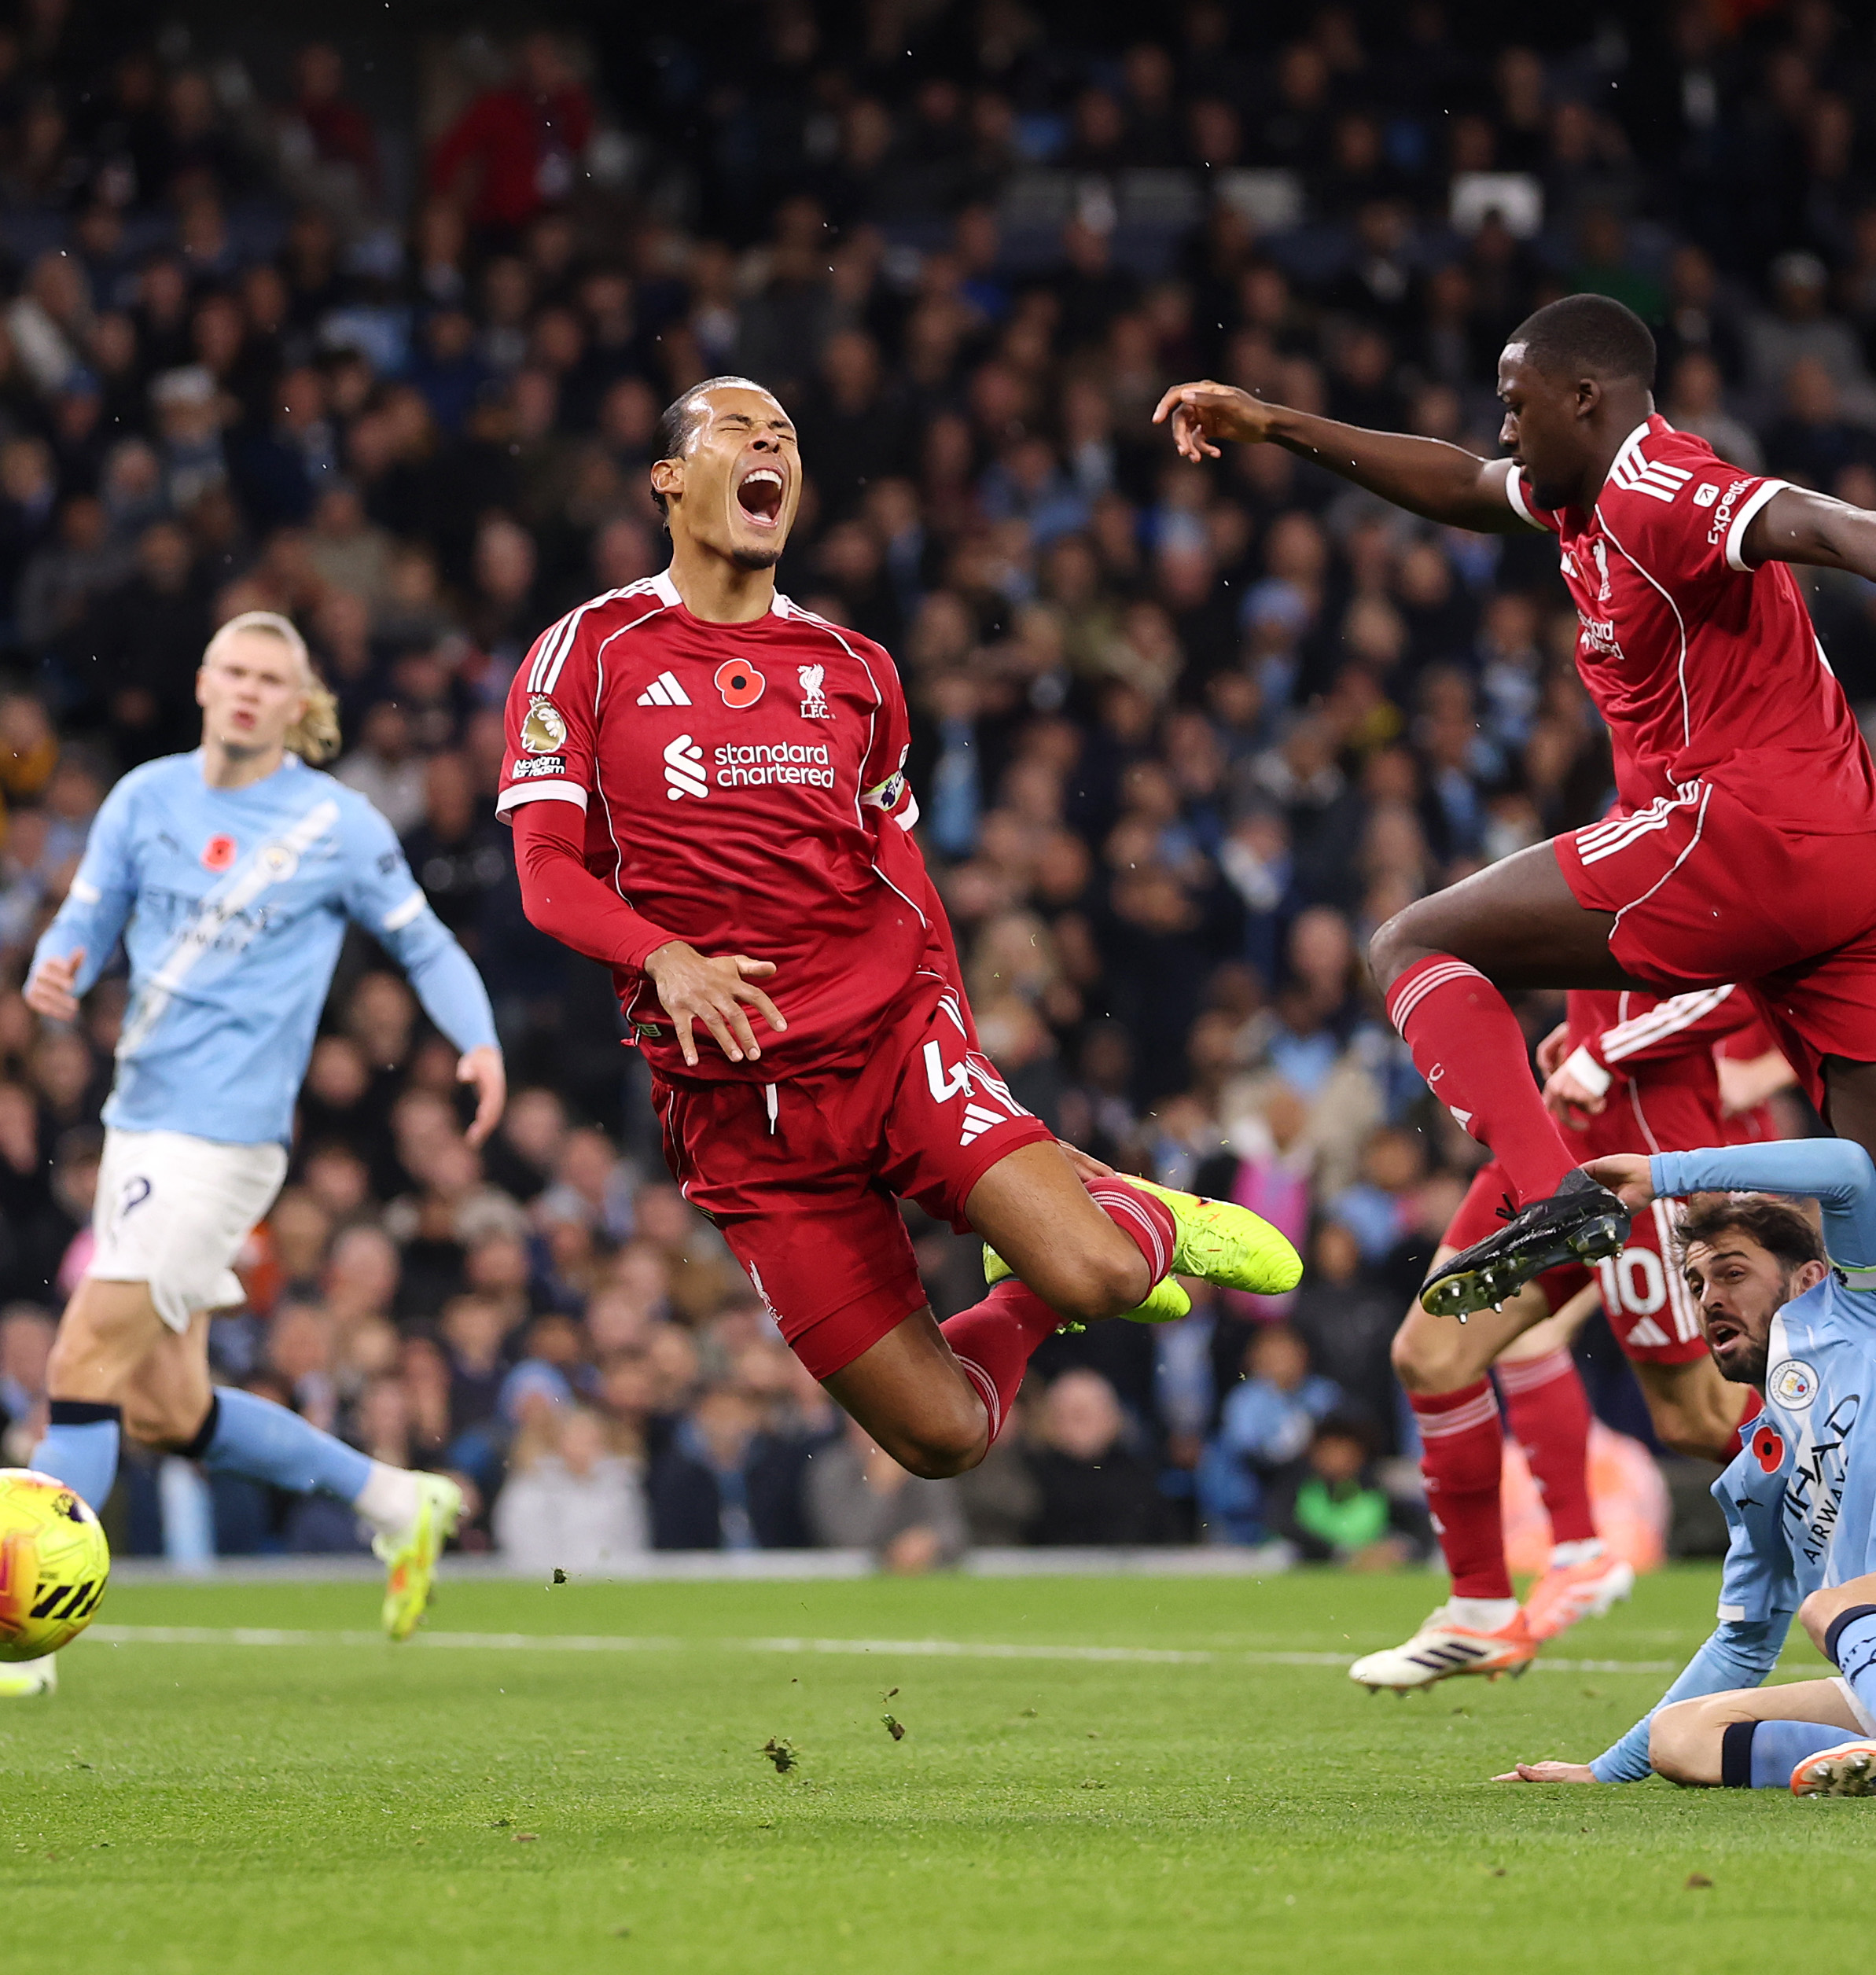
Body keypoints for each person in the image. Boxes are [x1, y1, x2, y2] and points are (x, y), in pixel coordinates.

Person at [1156, 294, 1876, 1631]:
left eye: (1520, 400)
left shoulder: (1651, 482)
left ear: (1589, 397)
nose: (1502, 425)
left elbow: (1801, 515)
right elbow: (1462, 487)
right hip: (1868, 858)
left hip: (1747, 833)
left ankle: (1553, 1193)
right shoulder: (1572, 497)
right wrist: (1278, 422)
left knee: (1410, 942)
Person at [499, 375, 1298, 1486]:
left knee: (1104, 1277)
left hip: (890, 1044)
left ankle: (1146, 1213)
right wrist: (662, 955)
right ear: (669, 479)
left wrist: (958, 1035)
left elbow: (904, 869)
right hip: (740, 1119)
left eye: (785, 432)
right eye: (738, 430)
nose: (769, 444)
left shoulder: (855, 670)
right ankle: (1029, 1285)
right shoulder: (588, 650)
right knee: (945, 1438)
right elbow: (543, 871)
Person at [0, 610, 507, 1699]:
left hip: (223, 1142)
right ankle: (397, 1502)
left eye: (273, 678)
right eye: (234, 670)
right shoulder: (143, 799)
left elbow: (424, 943)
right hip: (141, 1125)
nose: (249, 691)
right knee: (169, 1408)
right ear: (203, 681)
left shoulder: (335, 823)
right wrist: (60, 966)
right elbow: (84, 915)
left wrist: (479, 1040)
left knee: (80, 1365)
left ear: (298, 702)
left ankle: (17, 1651)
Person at [1495, 1138, 1876, 1797]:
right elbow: (1743, 1644)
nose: (1708, 1299)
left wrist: (1666, 1174)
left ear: (1809, 1280)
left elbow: (1848, 1169)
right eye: (1697, 1284)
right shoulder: (1757, 1472)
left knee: (1834, 1603)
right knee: (1685, 1736)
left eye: (1732, 1274)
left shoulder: (1870, 1313)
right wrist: (1604, 1770)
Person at [1352, 984, 1790, 1689]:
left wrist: (1608, 1050)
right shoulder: (1597, 879)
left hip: (1651, 1142)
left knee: (1698, 1420)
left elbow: (1744, 980)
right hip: (1556, 1134)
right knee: (1431, 1353)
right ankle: (1480, 1608)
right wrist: (1580, 1030)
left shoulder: (1696, 874)